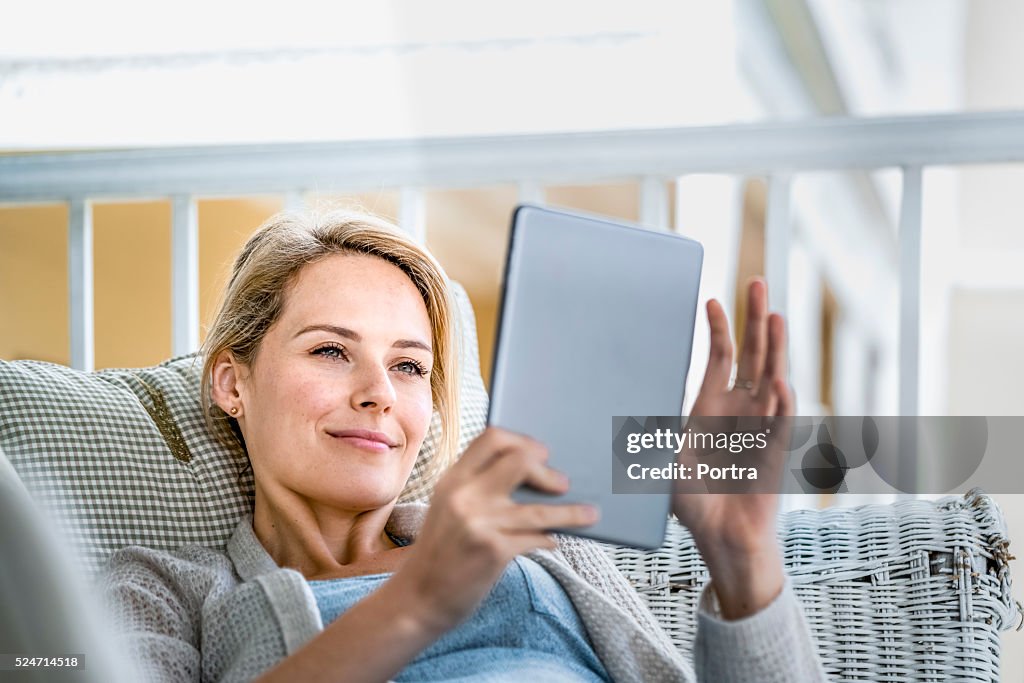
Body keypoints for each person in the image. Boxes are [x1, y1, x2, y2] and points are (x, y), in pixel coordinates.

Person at [102, 209, 827, 682]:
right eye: (330, 350)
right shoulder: (165, 590)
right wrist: (419, 600)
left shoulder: (543, 538)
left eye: (409, 365)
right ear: (232, 381)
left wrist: (742, 554)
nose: (378, 390)